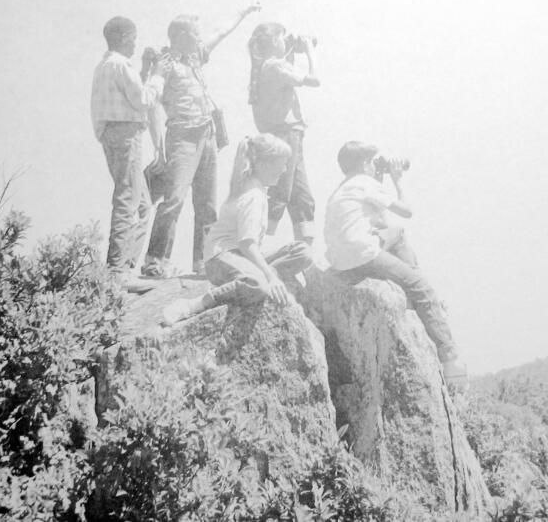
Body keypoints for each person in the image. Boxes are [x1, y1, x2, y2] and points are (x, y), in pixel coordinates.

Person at [323, 141, 468, 392]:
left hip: (340, 261)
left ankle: (413, 284)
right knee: (421, 286)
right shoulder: (365, 183)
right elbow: (407, 211)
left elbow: (381, 223)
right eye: (373, 162)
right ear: (365, 164)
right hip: (363, 255)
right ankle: (450, 358)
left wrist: (380, 178)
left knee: (397, 234)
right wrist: (397, 179)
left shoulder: (341, 189)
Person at [141, 3, 261, 278]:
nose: (199, 37)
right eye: (195, 33)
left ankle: (205, 260)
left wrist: (243, 12)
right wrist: (159, 147)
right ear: (181, 35)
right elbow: (152, 102)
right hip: (182, 136)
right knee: (174, 199)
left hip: (207, 135)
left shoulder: (195, 57)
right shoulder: (166, 63)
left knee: (206, 203)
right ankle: (155, 261)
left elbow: (221, 32)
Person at [161, 134, 313, 325]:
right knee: (258, 285)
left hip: (239, 255)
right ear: (264, 164)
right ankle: (193, 305)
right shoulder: (253, 195)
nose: (284, 170)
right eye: (281, 164)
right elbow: (247, 243)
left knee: (302, 252)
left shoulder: (257, 188)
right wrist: (268, 275)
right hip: (221, 257)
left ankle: (255, 277)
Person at [91, 16, 170, 290]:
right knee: (128, 199)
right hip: (127, 135)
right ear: (125, 37)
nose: (136, 44)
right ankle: (117, 273)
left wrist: (146, 72)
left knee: (142, 205)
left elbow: (132, 96)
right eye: (134, 38)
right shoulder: (120, 64)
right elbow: (144, 100)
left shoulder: (104, 66)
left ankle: (124, 267)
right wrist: (158, 75)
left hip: (112, 135)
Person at [247, 23, 320, 244]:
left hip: (288, 136)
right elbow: (315, 80)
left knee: (302, 199)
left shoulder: (266, 66)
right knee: (280, 196)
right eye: (282, 37)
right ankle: (253, 247)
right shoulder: (276, 66)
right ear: (274, 42)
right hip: (286, 135)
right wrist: (309, 50)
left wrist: (290, 50)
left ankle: (304, 256)